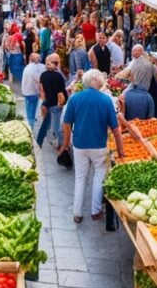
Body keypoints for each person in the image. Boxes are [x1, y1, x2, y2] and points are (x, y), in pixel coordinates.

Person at [59, 70, 125, 224]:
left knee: (80, 178)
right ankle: (96, 211)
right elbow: (115, 128)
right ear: (98, 81)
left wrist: (66, 143)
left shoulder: (75, 98)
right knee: (99, 175)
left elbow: (67, 123)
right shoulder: (105, 100)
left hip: (79, 144)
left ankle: (77, 213)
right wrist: (121, 149)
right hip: (98, 145)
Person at [37, 54, 67, 148]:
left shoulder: (43, 75)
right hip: (56, 103)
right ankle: (61, 145)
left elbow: (42, 90)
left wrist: (44, 101)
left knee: (46, 122)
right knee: (57, 126)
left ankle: (39, 141)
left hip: (48, 102)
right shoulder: (59, 76)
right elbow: (62, 91)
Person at [21, 53, 46, 136]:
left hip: (26, 91)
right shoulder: (38, 67)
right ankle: (30, 128)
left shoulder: (28, 67)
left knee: (29, 109)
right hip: (33, 92)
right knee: (32, 110)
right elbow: (39, 78)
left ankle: (30, 121)